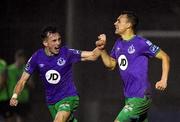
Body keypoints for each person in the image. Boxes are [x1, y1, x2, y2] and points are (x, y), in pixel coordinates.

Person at [9, 26, 100, 122]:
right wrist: (15, 96)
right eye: (54, 40)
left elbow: (93, 56)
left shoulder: (66, 53)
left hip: (68, 96)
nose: (58, 43)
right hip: (52, 101)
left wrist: (100, 46)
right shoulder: (37, 57)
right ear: (45, 43)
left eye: (59, 39)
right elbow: (23, 80)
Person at [96, 11, 170, 122]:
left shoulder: (141, 43)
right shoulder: (118, 43)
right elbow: (111, 65)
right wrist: (102, 49)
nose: (115, 23)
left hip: (140, 96)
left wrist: (163, 80)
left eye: (119, 21)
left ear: (128, 25)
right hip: (129, 97)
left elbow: (165, 57)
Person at [7, 49, 33, 122]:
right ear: (16, 58)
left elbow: (31, 85)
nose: (22, 60)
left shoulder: (27, 69)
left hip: (23, 100)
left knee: (21, 119)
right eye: (20, 58)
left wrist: (25, 81)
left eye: (23, 58)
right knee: (10, 119)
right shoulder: (9, 69)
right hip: (11, 98)